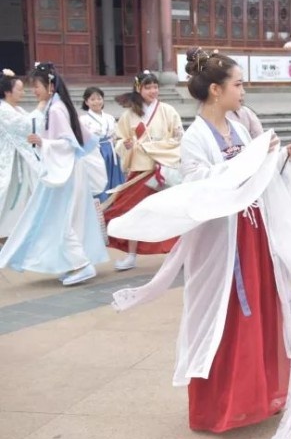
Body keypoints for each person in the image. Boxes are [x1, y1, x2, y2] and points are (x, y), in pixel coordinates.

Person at [107, 49, 291, 439]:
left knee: (258, 315)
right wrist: (250, 164)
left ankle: (258, 396)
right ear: (216, 90)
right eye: (237, 84)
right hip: (221, 243)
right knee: (223, 318)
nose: (243, 90)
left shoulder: (237, 123)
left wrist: (275, 158)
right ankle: (218, 407)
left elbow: (255, 175)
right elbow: (200, 187)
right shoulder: (197, 137)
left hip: (252, 234)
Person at [0, 63, 108, 286]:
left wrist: (43, 143)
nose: (33, 91)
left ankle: (82, 264)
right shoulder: (56, 106)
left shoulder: (56, 109)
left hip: (65, 169)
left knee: (61, 218)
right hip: (65, 168)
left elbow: (68, 144)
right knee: (64, 217)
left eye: (36, 86)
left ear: (49, 86)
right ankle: (74, 263)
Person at [104, 70, 184, 271]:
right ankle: (131, 255)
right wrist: (127, 145)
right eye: (148, 87)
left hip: (162, 169)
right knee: (132, 213)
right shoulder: (128, 115)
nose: (153, 91)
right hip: (140, 171)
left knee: (170, 212)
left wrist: (156, 146)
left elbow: (178, 136)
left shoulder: (167, 110)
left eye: (155, 87)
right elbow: (119, 140)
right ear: (139, 89)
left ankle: (180, 253)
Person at [0, 69, 41, 238]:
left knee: (24, 195)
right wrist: (41, 105)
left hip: (22, 160)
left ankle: (16, 232)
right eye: (20, 89)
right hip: (8, 161)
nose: (23, 93)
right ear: (7, 91)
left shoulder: (18, 109)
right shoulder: (3, 110)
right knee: (8, 195)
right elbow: (26, 126)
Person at [80, 86, 125, 203]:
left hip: (111, 151)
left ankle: (115, 203)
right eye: (92, 99)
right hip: (95, 152)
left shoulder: (109, 117)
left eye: (99, 98)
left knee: (114, 177)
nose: (97, 102)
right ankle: (101, 204)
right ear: (86, 102)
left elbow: (116, 134)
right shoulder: (83, 120)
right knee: (99, 179)